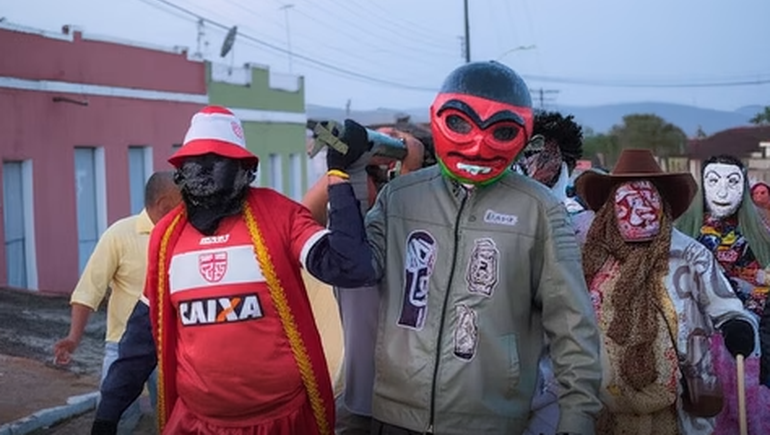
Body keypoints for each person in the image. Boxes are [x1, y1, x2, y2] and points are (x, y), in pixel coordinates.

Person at [317, 61, 603, 435]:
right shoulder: (400, 197)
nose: (477, 143)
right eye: (460, 123)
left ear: (522, 132)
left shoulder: (539, 211)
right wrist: (346, 175)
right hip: (396, 417)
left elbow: (572, 324)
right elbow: (354, 268)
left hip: (490, 421)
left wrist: (577, 419)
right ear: (438, 117)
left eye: (500, 130)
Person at [90, 105, 378, 435]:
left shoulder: (279, 215)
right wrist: (107, 414)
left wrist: (338, 175)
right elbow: (141, 338)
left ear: (244, 169)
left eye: (216, 160)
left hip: (282, 424)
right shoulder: (166, 238)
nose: (202, 171)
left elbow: (350, 267)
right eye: (193, 161)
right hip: (196, 424)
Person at [575, 149, 757, 435]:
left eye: (648, 200)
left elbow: (724, 303)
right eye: (629, 201)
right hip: (602, 401)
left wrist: (737, 324)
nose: (639, 211)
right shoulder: (590, 256)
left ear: (663, 205)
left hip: (674, 400)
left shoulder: (689, 254)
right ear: (611, 206)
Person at [302, 125, 431, 435]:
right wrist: (347, 162)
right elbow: (302, 216)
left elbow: (407, 216)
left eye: (377, 176)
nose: (366, 184)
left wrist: (409, 163)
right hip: (359, 407)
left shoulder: (418, 238)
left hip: (412, 409)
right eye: (372, 176)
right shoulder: (344, 243)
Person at [54, 171, 180, 434]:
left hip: (169, 348)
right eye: (183, 203)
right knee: (114, 418)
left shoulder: (183, 237)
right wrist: (73, 339)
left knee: (171, 421)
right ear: (165, 204)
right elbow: (89, 290)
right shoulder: (120, 235)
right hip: (122, 348)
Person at [676, 154, 770, 434]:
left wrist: (751, 310)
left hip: (748, 337)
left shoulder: (761, 234)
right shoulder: (683, 234)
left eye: (732, 182)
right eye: (714, 181)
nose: (722, 191)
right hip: (694, 339)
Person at [514, 110, 587, 435]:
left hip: (558, 376)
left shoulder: (584, 225)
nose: (532, 162)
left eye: (541, 153)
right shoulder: (499, 214)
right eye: (526, 151)